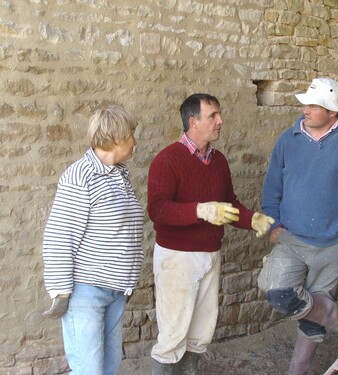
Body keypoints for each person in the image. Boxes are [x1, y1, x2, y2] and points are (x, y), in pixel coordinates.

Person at [258, 77, 338, 374]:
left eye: (314, 105)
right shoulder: (288, 137)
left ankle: (297, 371)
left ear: (333, 112)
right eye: (306, 103)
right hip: (291, 239)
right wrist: (273, 224)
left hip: (334, 241)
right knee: (275, 291)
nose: (305, 109)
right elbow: (272, 185)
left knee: (310, 318)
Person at [147, 93, 274, 375]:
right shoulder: (167, 160)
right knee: (173, 335)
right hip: (177, 259)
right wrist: (200, 211)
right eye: (213, 116)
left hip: (210, 255)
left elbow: (229, 204)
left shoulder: (218, 161)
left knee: (201, 331)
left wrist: (252, 219)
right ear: (193, 122)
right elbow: (158, 210)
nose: (220, 121)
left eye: (219, 115)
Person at [42, 104, 144, 375]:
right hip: (86, 292)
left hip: (115, 291)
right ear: (117, 137)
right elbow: (59, 236)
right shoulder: (80, 177)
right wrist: (60, 291)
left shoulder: (118, 175)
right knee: (89, 371)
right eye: (132, 133)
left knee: (109, 367)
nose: (136, 140)